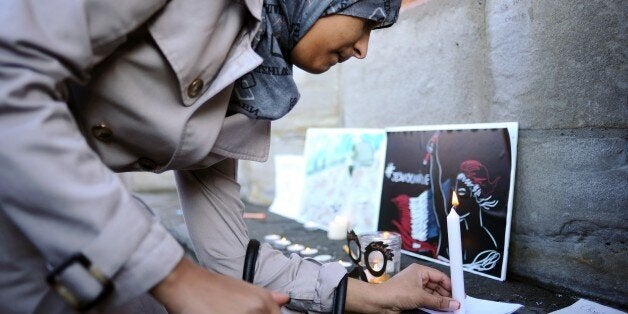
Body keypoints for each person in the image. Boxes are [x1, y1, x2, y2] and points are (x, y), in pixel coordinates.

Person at [0, 0, 462, 313]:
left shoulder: (253, 89)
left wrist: (364, 294)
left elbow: (226, 257)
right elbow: (11, 77)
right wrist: (173, 274)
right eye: (370, 20)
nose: (364, 49)